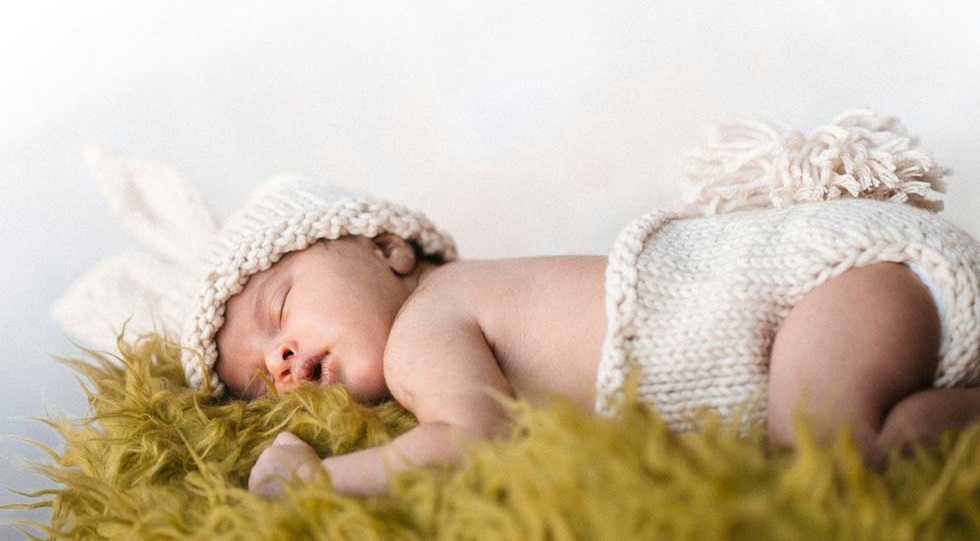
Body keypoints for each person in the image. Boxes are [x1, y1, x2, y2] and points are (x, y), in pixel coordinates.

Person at [180, 166, 980, 499]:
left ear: (387, 248)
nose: (279, 360)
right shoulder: (462, 308)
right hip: (843, 298)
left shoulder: (428, 324)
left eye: (280, 309)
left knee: (829, 454)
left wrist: (317, 476)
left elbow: (471, 437)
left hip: (830, 285)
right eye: (259, 376)